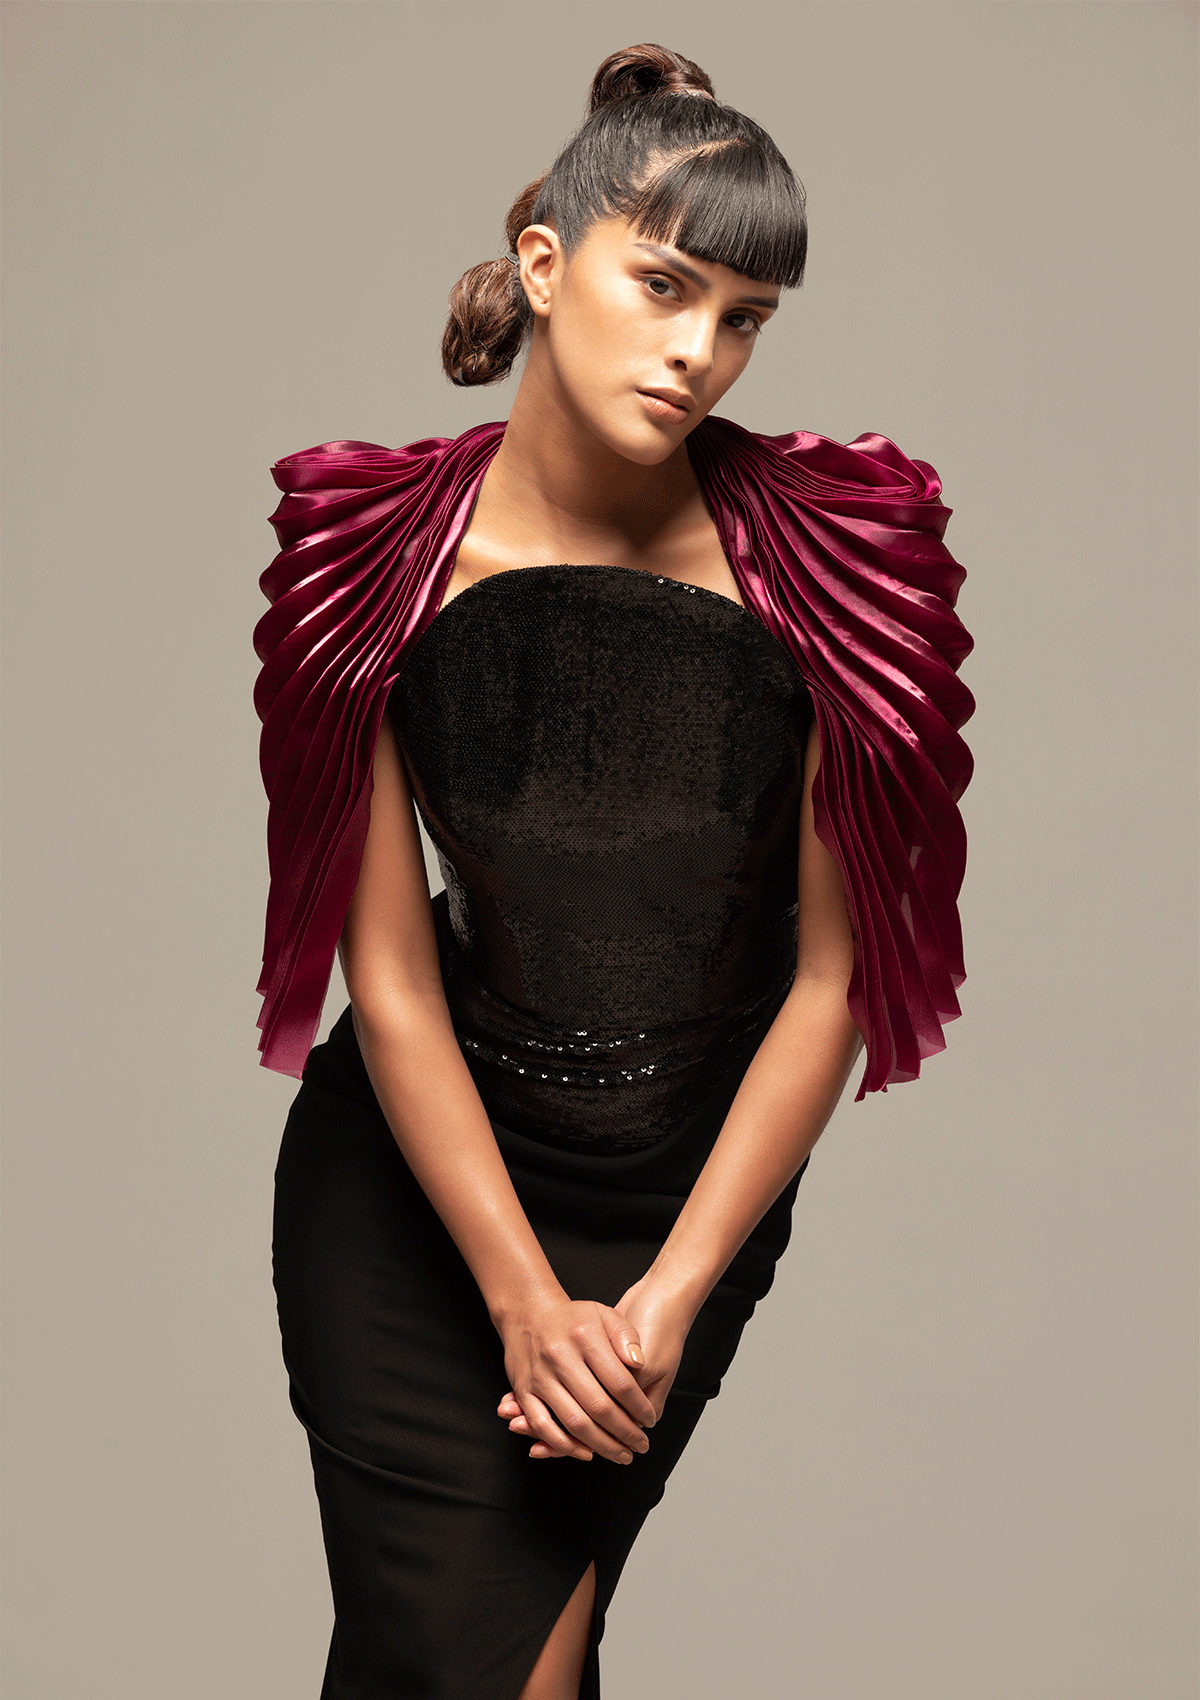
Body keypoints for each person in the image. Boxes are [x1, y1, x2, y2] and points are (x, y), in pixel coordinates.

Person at [254, 42, 974, 1700]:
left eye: (744, 317)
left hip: (678, 1203)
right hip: (413, 1191)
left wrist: (666, 1299)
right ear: (543, 263)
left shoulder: (836, 565)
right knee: (461, 1669)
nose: (699, 351)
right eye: (665, 286)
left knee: (509, 1661)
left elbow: (834, 982)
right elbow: (391, 980)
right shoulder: (370, 566)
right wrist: (520, 1297)